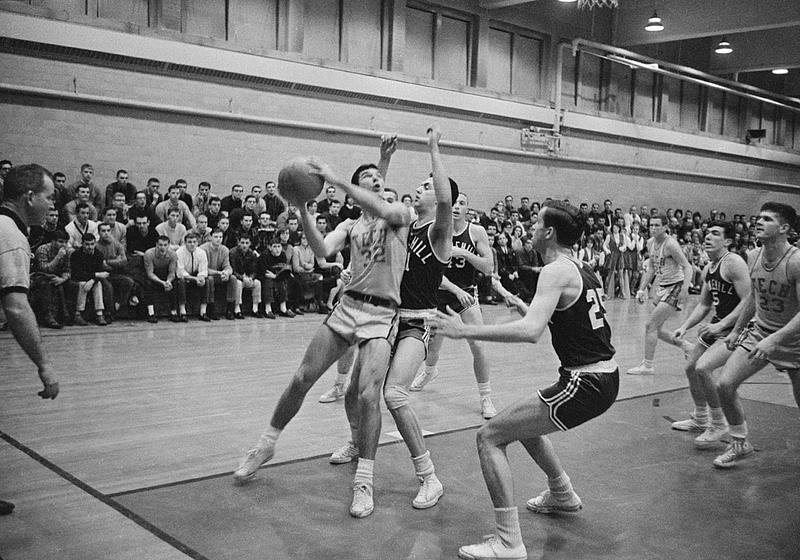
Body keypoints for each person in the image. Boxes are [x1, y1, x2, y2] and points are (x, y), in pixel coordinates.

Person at [429, 200, 618, 560]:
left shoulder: (555, 271)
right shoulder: (580, 267)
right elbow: (564, 318)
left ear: (548, 233)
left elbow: (532, 332)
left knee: (488, 437)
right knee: (523, 423)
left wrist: (463, 331)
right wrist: (521, 304)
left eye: (536, 223)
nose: (530, 228)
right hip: (602, 378)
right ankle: (562, 493)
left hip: (587, 382)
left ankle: (508, 542)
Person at [233, 135, 409, 520]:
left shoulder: (399, 215)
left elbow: (375, 201)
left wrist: (353, 172)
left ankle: (364, 479)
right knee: (302, 377)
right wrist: (302, 212)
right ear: (356, 191)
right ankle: (266, 444)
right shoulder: (350, 224)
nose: (376, 182)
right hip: (348, 308)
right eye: (368, 180)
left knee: (366, 396)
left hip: (382, 315)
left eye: (378, 179)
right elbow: (323, 251)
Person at [327, 126, 454, 511]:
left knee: (394, 395)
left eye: (428, 185)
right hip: (385, 317)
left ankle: (429, 477)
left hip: (416, 322)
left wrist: (432, 147)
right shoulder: (398, 224)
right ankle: (358, 439)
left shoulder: (438, 231)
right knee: (355, 393)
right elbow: (373, 202)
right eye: (421, 184)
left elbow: (446, 199)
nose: (421, 187)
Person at [712, 203, 800, 468]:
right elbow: (754, 295)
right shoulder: (753, 255)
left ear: (784, 228)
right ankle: (740, 443)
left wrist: (775, 340)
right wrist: (738, 329)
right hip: (760, 331)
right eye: (758, 217)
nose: (758, 222)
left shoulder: (796, 262)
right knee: (724, 385)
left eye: (767, 219)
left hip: (794, 339)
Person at [0, 163, 60, 516]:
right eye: (48, 197)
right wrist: (44, 365)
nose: (52, 204)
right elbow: (17, 307)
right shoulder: (10, 234)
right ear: (29, 196)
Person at [413, 191, 498, 419]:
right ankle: (429, 372)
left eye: (462, 203)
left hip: (467, 293)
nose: (457, 206)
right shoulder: (437, 230)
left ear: (467, 209)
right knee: (432, 346)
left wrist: (465, 254)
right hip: (440, 292)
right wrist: (455, 290)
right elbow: (432, 272)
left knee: (478, 345)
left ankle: (485, 396)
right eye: (454, 202)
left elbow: (488, 268)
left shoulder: (476, 232)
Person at [671, 222, 750, 448]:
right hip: (717, 326)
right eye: (707, 233)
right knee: (690, 368)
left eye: (715, 234)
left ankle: (719, 423)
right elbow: (704, 305)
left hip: (739, 328)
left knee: (703, 368)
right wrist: (684, 326)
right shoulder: (708, 268)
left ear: (727, 241)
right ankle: (701, 417)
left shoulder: (734, 263)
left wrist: (722, 325)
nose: (707, 237)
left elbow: (747, 301)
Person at [627, 214, 694, 375]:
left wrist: (685, 289)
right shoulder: (650, 243)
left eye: (657, 225)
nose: (653, 228)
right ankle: (687, 346)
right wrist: (641, 289)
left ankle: (647, 365)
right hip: (662, 286)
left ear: (665, 227)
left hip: (676, 286)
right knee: (657, 329)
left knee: (650, 326)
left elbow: (687, 266)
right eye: (651, 225)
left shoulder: (671, 244)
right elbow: (651, 267)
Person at [175, 232, 210, 321]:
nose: (192, 244)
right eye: (189, 242)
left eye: (194, 242)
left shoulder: (201, 252)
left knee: (207, 280)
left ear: (197, 243)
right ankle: (182, 311)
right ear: (185, 243)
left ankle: (203, 311)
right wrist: (193, 278)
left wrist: (201, 277)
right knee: (181, 281)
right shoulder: (179, 252)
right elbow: (180, 271)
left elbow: (204, 269)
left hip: (196, 275)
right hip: (185, 277)